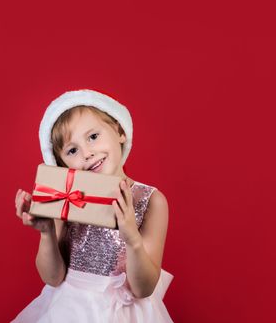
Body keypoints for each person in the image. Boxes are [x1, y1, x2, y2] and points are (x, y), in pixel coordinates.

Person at [12, 89, 174, 322]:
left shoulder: (151, 200)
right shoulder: (67, 197)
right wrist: (46, 232)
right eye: (72, 150)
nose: (87, 153)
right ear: (62, 164)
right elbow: (52, 277)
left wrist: (132, 238)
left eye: (93, 137)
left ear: (119, 131)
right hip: (68, 311)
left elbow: (143, 289)